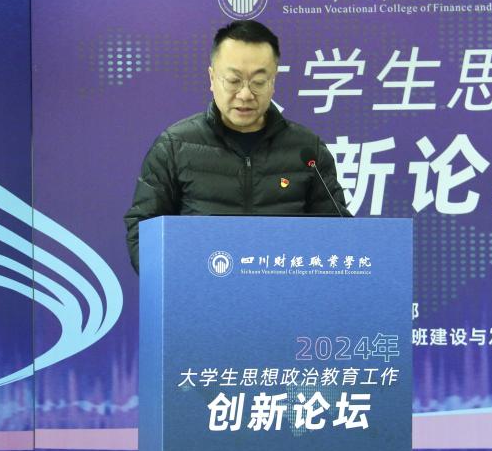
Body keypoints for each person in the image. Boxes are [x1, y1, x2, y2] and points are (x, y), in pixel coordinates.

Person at [123, 20, 350, 271]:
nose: (245, 94)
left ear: (273, 81)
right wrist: (178, 282)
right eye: (233, 80)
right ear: (212, 78)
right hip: (200, 289)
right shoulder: (174, 147)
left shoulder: (307, 150)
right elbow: (143, 230)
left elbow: (338, 233)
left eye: (258, 82)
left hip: (285, 290)